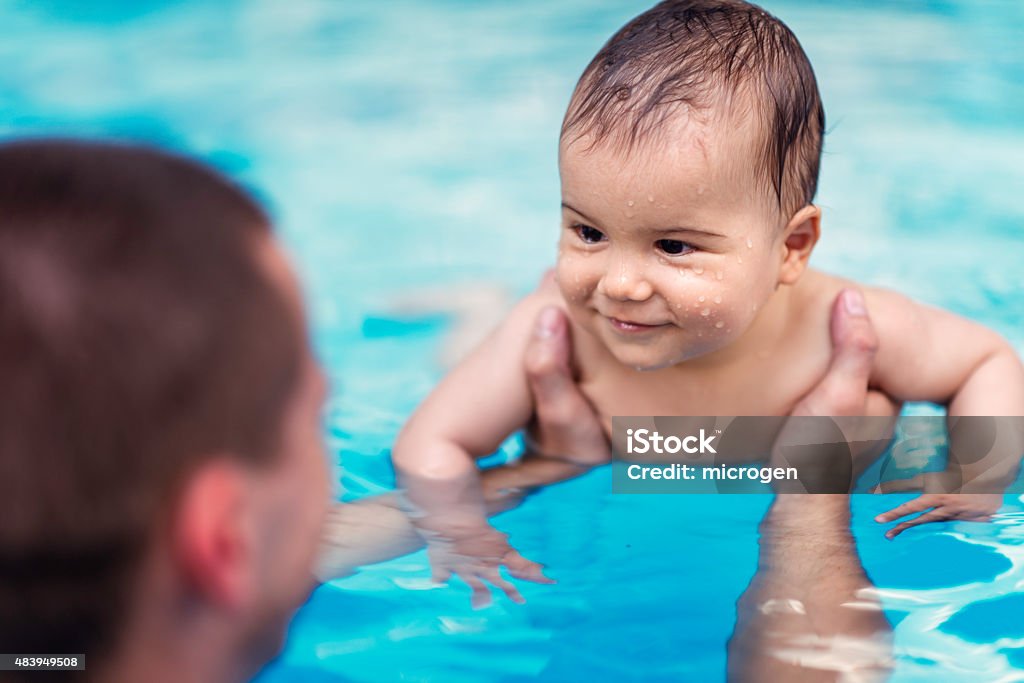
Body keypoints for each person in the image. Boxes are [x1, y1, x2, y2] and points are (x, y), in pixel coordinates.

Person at [391, 0, 1024, 600]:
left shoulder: (838, 326)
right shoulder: (559, 325)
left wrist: (977, 477)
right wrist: (458, 528)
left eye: (672, 246)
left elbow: (986, 360)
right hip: (580, 445)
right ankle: (478, 305)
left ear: (791, 247)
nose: (619, 284)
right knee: (469, 351)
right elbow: (430, 444)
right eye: (589, 232)